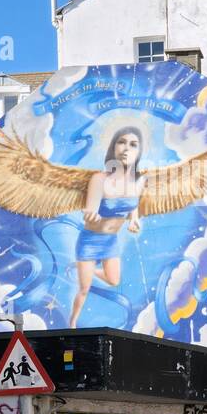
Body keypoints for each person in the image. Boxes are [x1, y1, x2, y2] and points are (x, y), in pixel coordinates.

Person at [69, 128, 146, 327]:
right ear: (113, 147)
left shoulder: (138, 182)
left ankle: (87, 270)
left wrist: (134, 219)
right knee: (84, 289)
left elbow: (133, 204)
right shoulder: (100, 179)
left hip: (111, 241)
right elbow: (92, 206)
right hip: (90, 240)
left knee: (113, 280)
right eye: (122, 142)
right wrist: (91, 212)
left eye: (133, 144)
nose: (126, 148)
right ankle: (72, 323)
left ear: (139, 152)